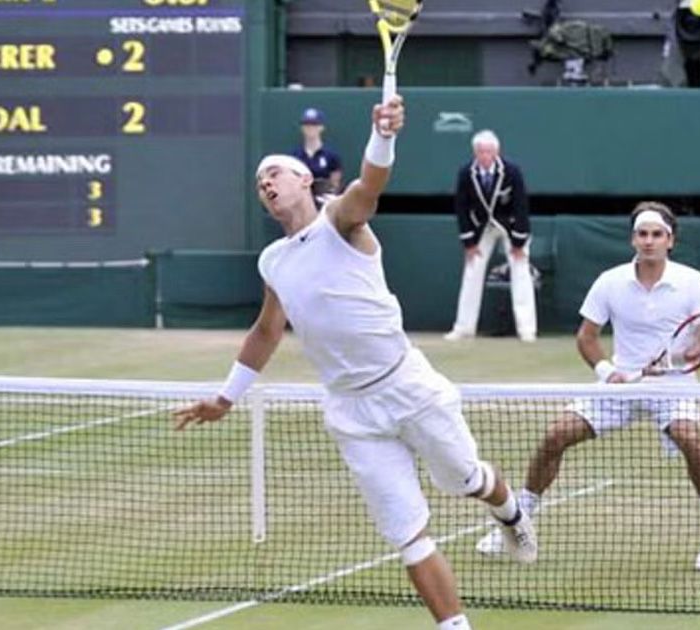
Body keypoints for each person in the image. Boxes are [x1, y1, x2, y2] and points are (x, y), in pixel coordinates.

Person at [174, 96, 538, 630]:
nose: (267, 185)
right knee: (406, 534)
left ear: (305, 181)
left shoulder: (340, 219)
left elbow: (369, 186)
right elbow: (266, 331)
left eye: (275, 174)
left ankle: (509, 512)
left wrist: (383, 135)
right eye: (260, 183)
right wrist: (226, 397)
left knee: (465, 479)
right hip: (351, 412)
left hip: (408, 385)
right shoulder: (273, 261)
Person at [475, 201, 700, 572]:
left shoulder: (692, 282)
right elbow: (587, 337)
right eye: (642, 234)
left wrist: (674, 363)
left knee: (692, 441)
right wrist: (609, 372)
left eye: (657, 234)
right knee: (555, 435)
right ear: (633, 239)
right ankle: (517, 526)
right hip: (619, 384)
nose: (649, 241)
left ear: (670, 240)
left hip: (672, 386)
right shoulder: (611, 281)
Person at [444, 130, 536, 343]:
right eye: (480, 151)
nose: (484, 156)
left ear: (496, 152)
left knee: (521, 271)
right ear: (475, 152)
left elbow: (521, 205)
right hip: (481, 228)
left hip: (510, 227)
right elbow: (461, 207)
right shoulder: (466, 173)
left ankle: (527, 329)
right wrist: (468, 242)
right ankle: (464, 327)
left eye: (488, 151)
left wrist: (518, 242)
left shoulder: (512, 171)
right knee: (472, 271)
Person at [291, 107, 343, 196]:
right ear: (302, 128)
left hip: (324, 201)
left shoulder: (331, 156)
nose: (310, 128)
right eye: (307, 125)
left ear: (321, 127)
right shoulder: (295, 156)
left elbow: (335, 185)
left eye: (314, 124)